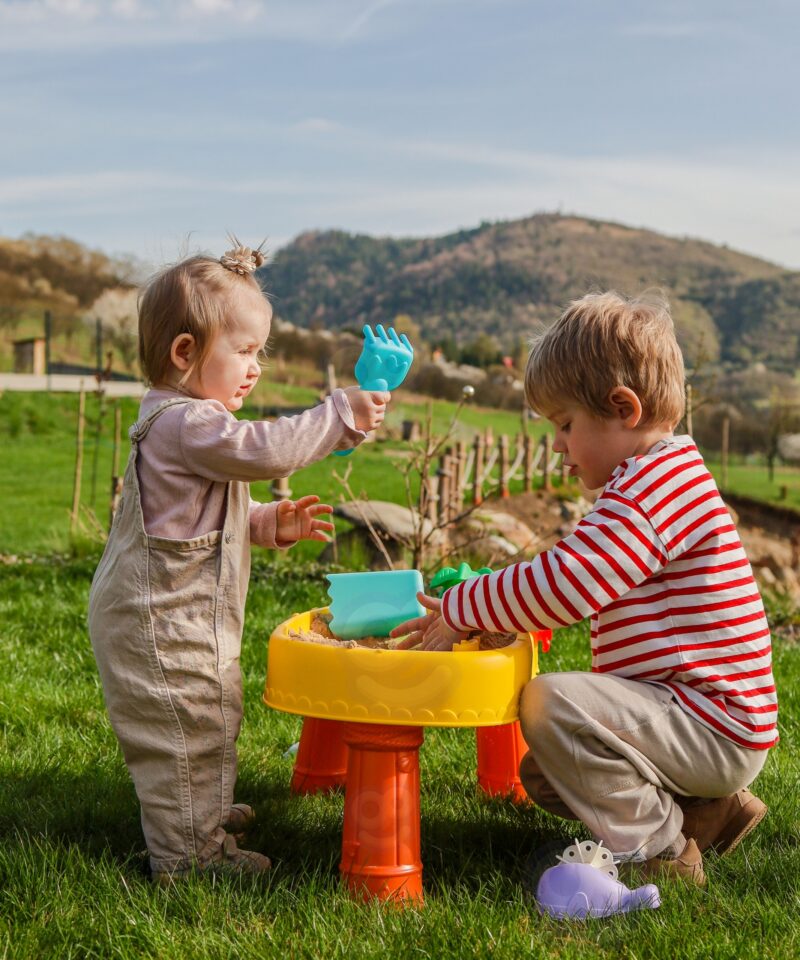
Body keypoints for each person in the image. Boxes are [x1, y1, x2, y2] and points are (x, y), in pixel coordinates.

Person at [392, 290, 777, 885]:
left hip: (710, 724)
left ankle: (660, 853)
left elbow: (571, 581)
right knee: (547, 772)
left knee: (551, 703)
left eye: (566, 425)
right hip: (702, 721)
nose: (558, 445)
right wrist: (497, 604)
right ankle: (708, 815)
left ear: (623, 408)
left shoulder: (655, 488)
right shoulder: (658, 477)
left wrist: (467, 606)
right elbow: (573, 574)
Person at [88, 240, 388, 883]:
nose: (255, 368)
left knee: (212, 714)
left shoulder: (189, 424)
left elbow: (196, 520)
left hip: (176, 615)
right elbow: (265, 449)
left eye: (261, 353)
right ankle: (189, 857)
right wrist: (338, 413)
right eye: (245, 351)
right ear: (185, 352)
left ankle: (203, 812)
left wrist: (265, 523)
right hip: (162, 622)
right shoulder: (189, 423)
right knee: (185, 729)